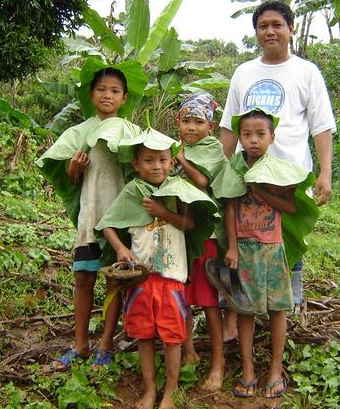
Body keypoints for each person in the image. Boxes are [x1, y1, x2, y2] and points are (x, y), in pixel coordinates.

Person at [219, 0, 336, 337]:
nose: (270, 31)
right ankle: (236, 316)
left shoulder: (306, 71)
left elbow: (321, 126)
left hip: (289, 177)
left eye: (276, 25)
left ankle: (285, 307)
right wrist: (221, 172)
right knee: (241, 240)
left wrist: (325, 174)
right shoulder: (244, 72)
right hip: (248, 175)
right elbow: (228, 127)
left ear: (290, 29)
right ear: (256, 32)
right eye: (263, 26)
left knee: (288, 240)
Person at [96, 128, 219, 409]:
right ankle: (150, 390)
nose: (157, 166)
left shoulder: (179, 190)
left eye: (163, 160)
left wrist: (163, 212)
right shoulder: (132, 191)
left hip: (173, 279)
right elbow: (107, 225)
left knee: (173, 338)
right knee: (144, 336)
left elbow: (188, 225)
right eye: (149, 161)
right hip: (141, 279)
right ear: (136, 165)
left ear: (172, 162)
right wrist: (119, 248)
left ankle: (170, 392)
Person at [36, 67, 141, 369]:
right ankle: (80, 344)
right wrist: (73, 169)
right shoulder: (78, 132)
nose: (107, 95)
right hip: (89, 220)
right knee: (83, 280)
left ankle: (105, 345)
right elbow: (69, 179)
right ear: (91, 94)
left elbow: (140, 171)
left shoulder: (130, 132)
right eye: (101, 90)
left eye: (114, 91)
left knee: (114, 282)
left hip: (120, 222)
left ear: (124, 98)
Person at [216, 108, 317, 399]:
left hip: (273, 250)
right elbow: (230, 209)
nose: (253, 140)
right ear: (239, 138)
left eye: (260, 134)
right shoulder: (234, 169)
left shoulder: (280, 171)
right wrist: (232, 247)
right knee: (244, 310)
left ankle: (274, 369)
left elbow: (290, 207)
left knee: (277, 309)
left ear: (272, 137)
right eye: (247, 134)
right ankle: (247, 370)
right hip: (244, 251)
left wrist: (260, 191)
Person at [174, 93, 227, 390]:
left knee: (208, 302)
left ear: (211, 125)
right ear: (177, 122)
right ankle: (189, 352)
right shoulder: (174, 147)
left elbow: (202, 183)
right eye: (186, 121)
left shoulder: (212, 149)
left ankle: (218, 365)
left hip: (204, 235)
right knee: (180, 296)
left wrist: (180, 158)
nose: (191, 128)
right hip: (177, 233)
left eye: (198, 121)